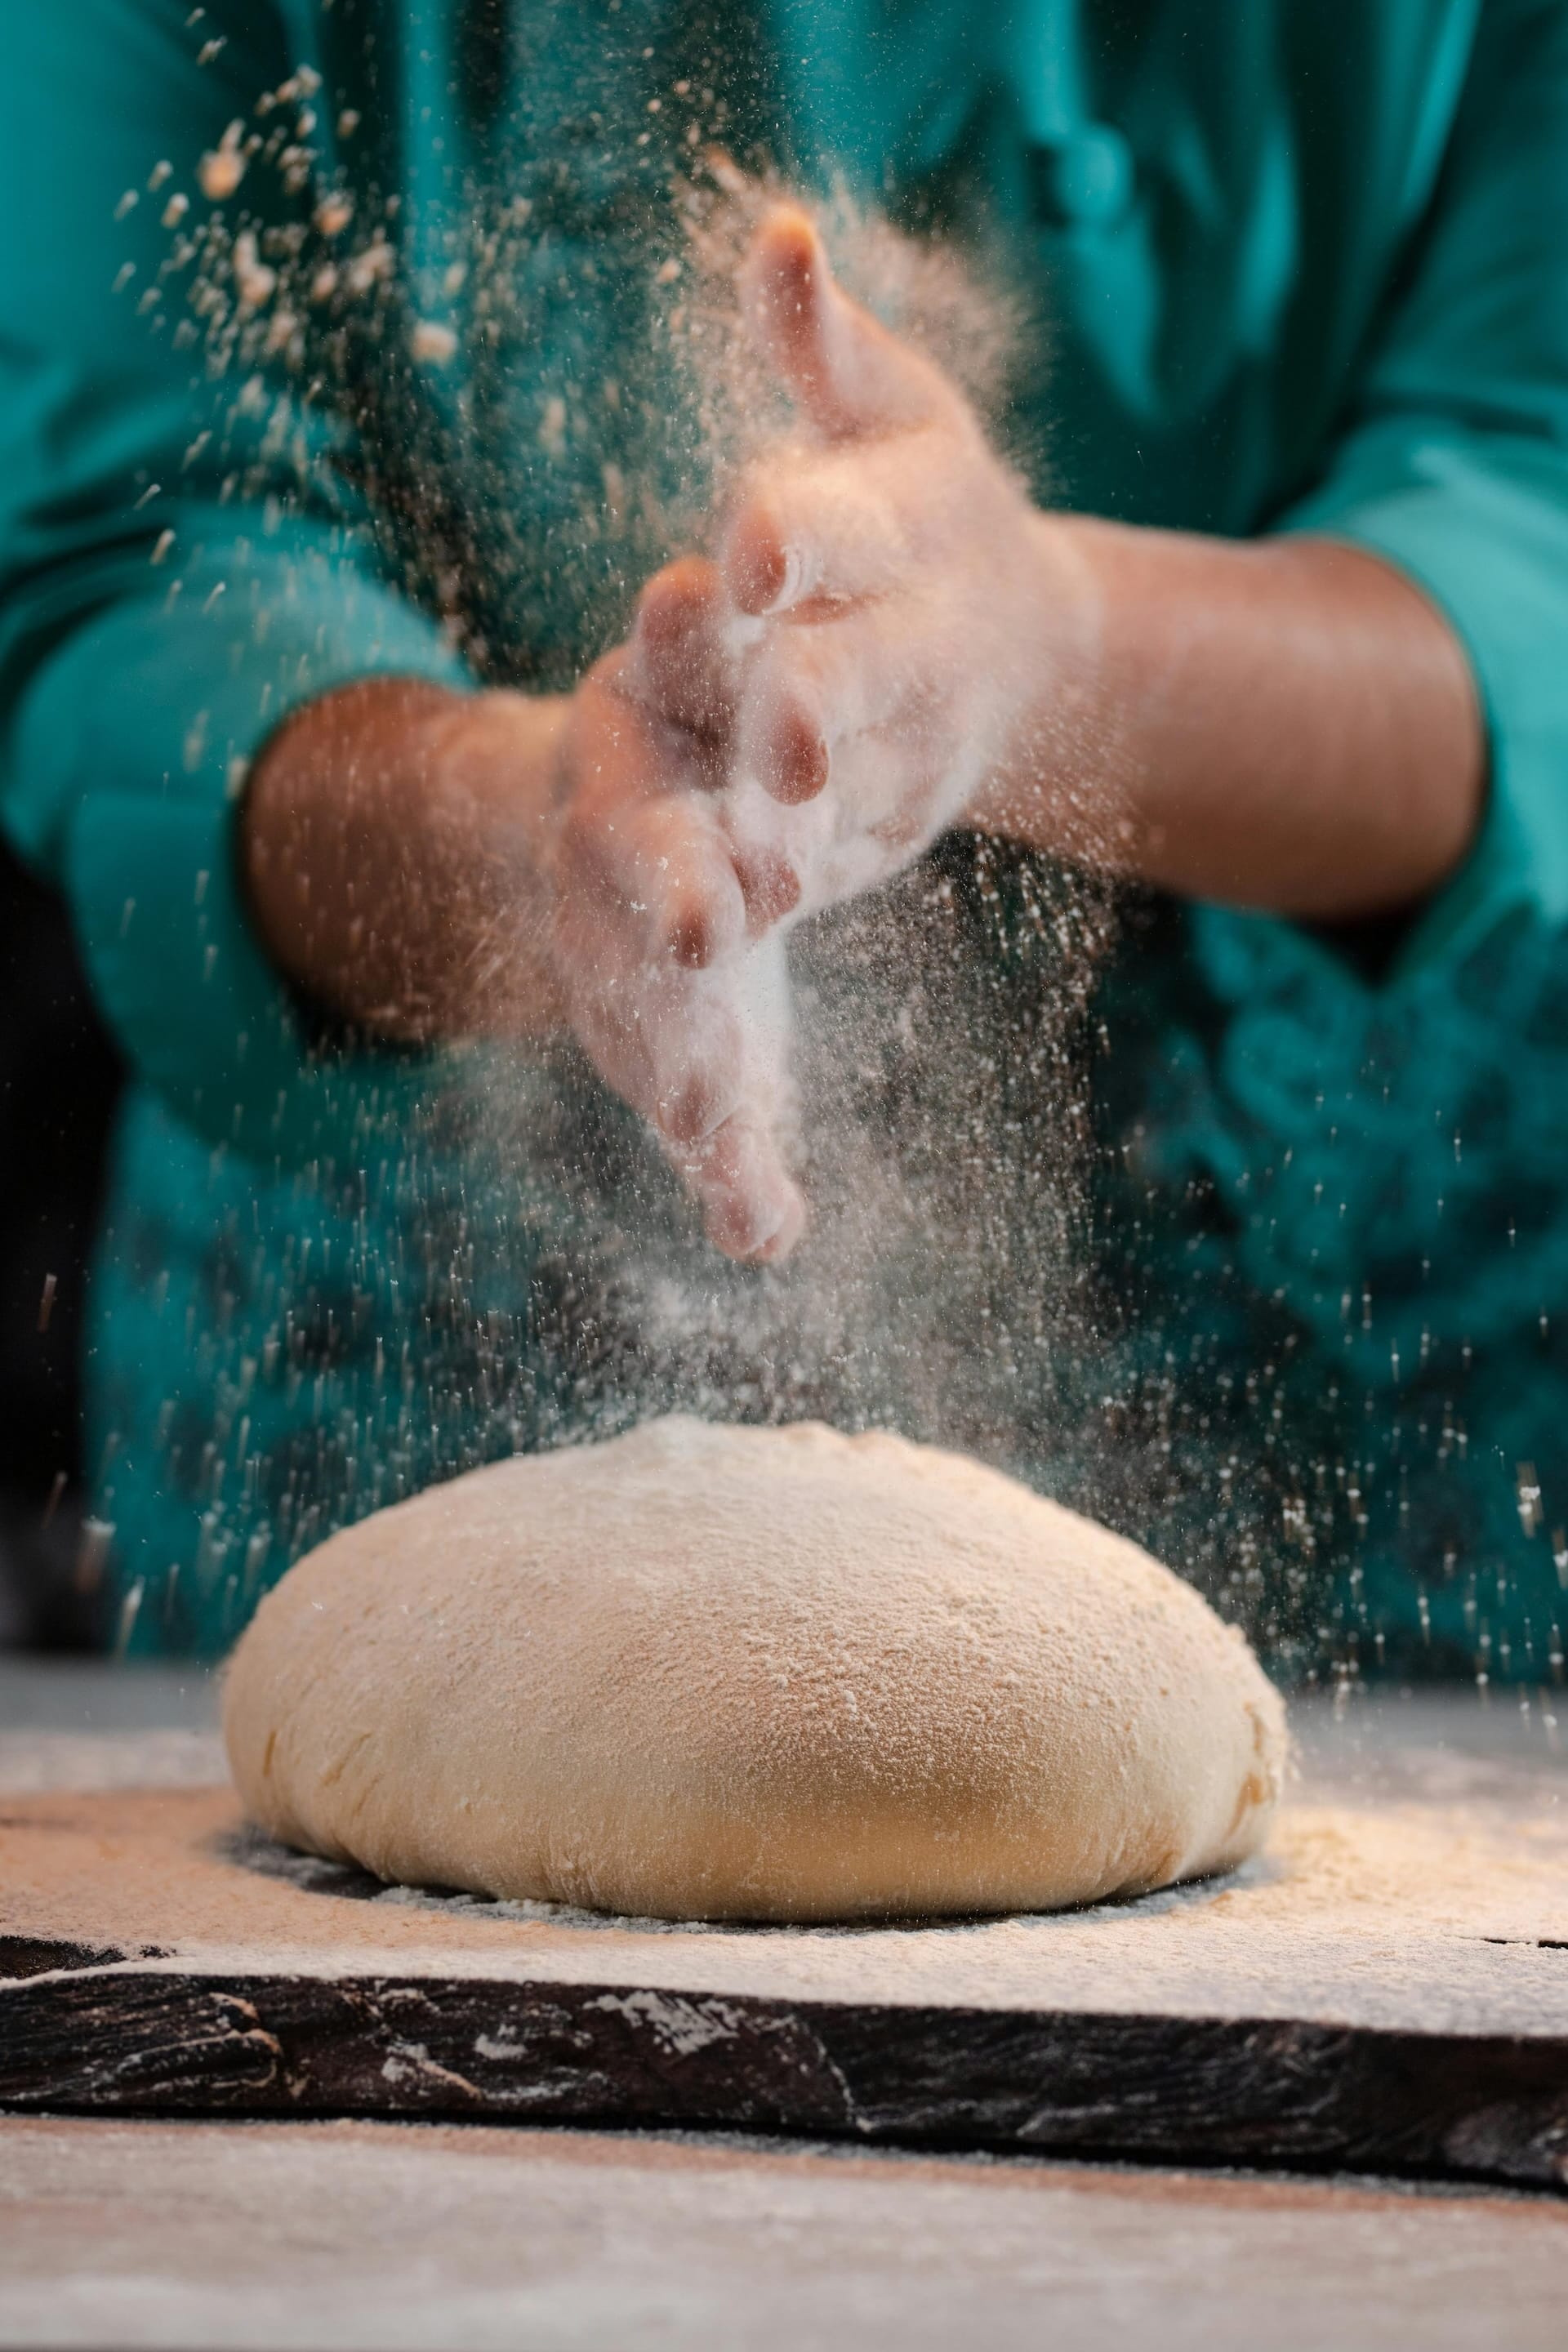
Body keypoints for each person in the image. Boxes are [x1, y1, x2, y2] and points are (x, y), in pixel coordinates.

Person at [2, 1, 1566, 1682]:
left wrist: (1043, 654)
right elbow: (146, 554)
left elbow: (1528, 519)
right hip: (399, 1294)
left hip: (1390, 1294)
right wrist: (545, 842)